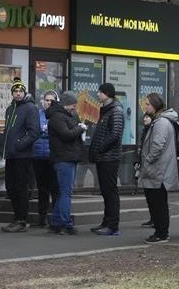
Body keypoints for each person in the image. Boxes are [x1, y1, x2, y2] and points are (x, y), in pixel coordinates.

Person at [138, 93, 179, 244]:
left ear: (155, 105)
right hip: (156, 170)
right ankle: (160, 231)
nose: (146, 106)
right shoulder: (158, 121)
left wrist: (147, 161)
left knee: (158, 203)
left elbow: (157, 146)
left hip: (158, 170)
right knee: (156, 203)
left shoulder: (161, 123)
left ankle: (162, 233)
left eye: (148, 104)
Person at [0, 78, 40, 233]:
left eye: (20, 91)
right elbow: (8, 131)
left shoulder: (30, 108)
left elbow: (34, 132)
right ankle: (16, 217)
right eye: (15, 91)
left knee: (20, 188)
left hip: (22, 155)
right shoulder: (10, 109)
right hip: (11, 155)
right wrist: (4, 145)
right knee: (11, 187)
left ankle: (21, 220)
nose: (17, 94)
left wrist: (19, 144)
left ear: (24, 93)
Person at [47, 90, 86, 235]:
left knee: (63, 192)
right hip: (65, 158)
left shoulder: (61, 115)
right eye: (73, 105)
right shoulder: (58, 117)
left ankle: (57, 221)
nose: (74, 109)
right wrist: (79, 129)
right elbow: (66, 134)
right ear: (66, 104)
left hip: (65, 157)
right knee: (65, 193)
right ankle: (65, 223)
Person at [88, 82, 125, 236]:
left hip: (109, 157)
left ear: (107, 94)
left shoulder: (115, 111)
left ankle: (112, 225)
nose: (98, 95)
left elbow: (115, 134)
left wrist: (101, 148)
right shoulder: (106, 111)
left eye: (100, 92)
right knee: (105, 191)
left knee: (110, 191)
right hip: (103, 157)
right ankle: (106, 221)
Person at [32, 90, 60, 228]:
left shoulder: (57, 115)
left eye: (51, 100)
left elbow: (57, 133)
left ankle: (55, 216)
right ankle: (42, 216)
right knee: (42, 188)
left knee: (54, 187)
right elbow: (35, 132)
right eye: (47, 100)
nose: (49, 102)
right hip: (38, 155)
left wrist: (45, 131)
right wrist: (45, 131)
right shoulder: (38, 115)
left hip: (52, 155)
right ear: (42, 101)